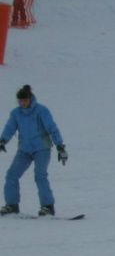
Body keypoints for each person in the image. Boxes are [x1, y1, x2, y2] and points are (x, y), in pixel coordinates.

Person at [0, 84, 67, 216]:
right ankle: (12, 205)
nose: (22, 103)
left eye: (24, 100)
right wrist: (3, 140)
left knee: (40, 175)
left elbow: (52, 128)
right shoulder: (16, 113)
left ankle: (47, 206)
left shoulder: (41, 111)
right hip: (24, 150)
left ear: (30, 99)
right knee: (11, 175)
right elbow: (10, 128)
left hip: (42, 148)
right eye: (20, 101)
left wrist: (60, 146)